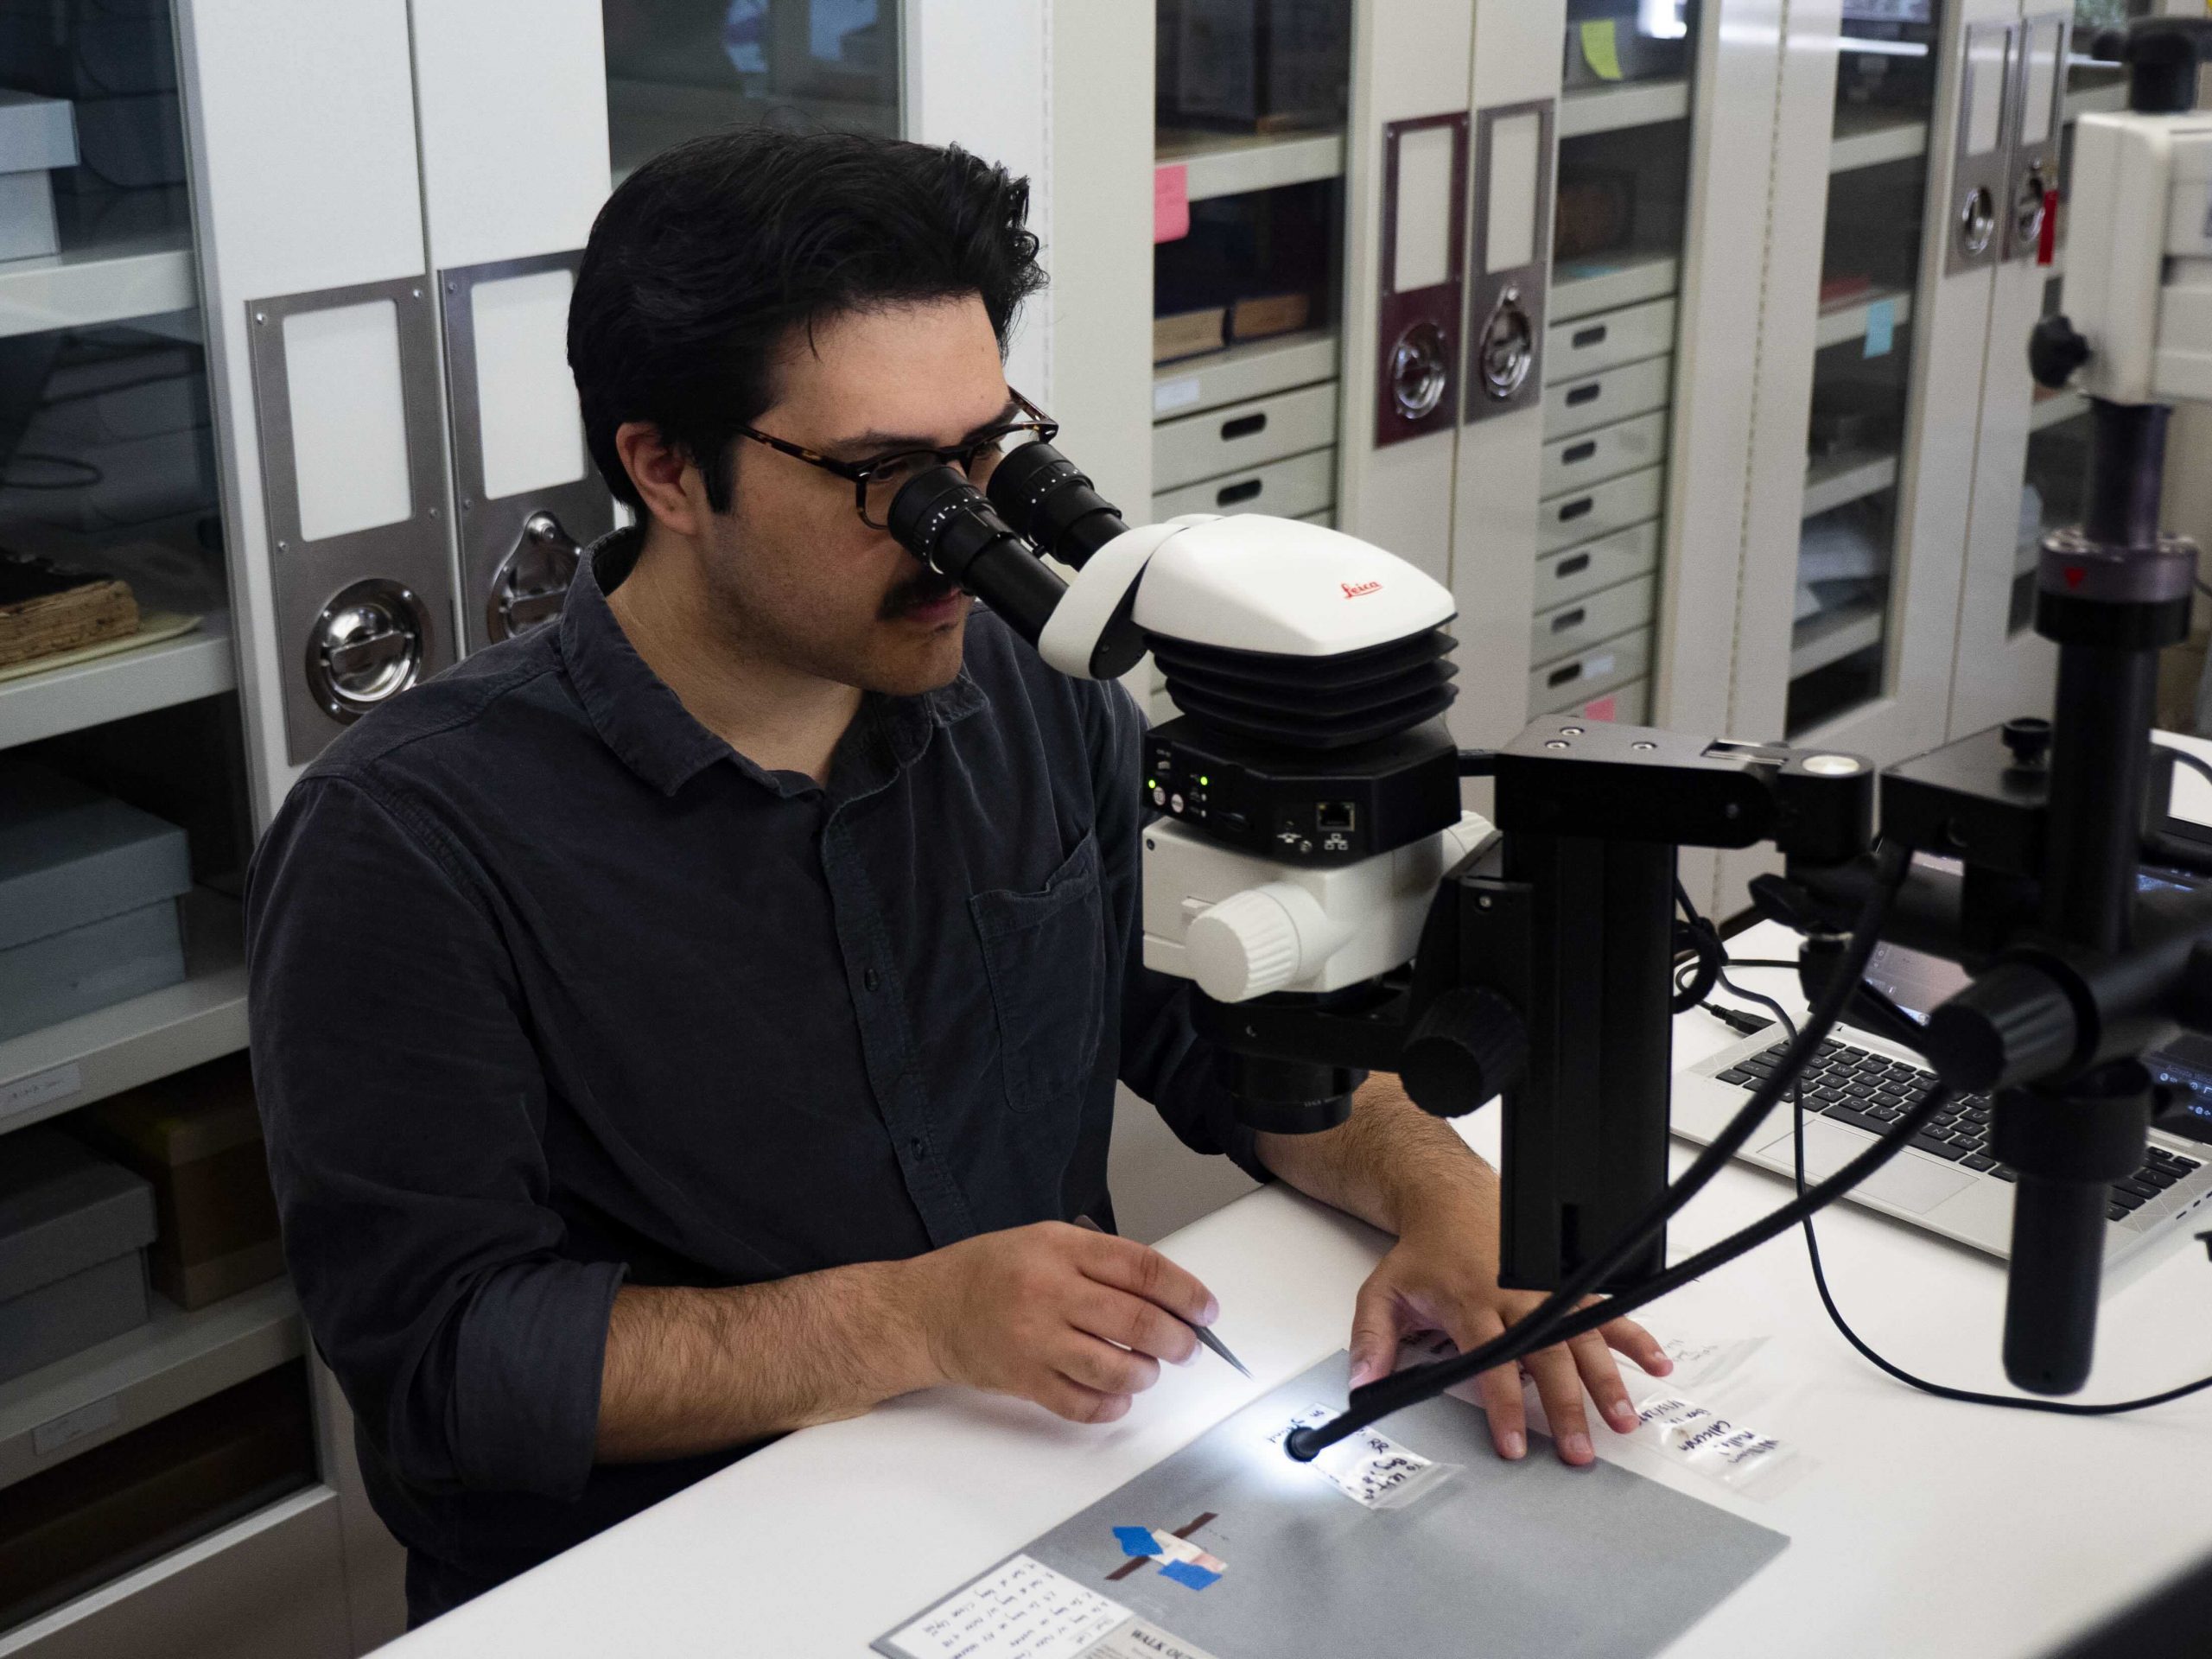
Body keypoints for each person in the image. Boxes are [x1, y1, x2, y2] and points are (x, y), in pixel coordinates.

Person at [245, 127, 1670, 1626]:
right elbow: (448, 1363)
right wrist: (910, 1321)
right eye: (887, 479)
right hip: (668, 1582)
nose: (962, 536)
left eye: (988, 453)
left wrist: (1447, 1197)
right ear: (665, 468)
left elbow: (1225, 1035)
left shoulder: (1036, 697)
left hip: (1038, 1496)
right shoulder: (405, 841)